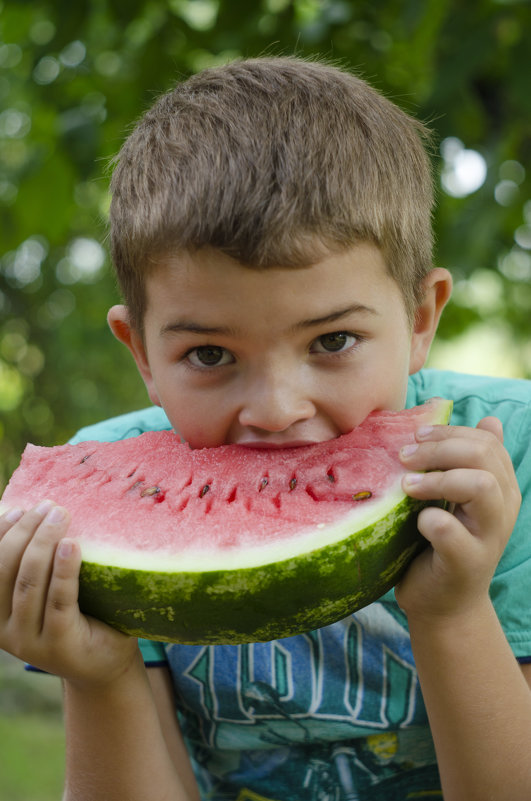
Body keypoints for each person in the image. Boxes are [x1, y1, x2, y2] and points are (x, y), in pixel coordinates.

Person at [0, 56, 530, 801]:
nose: (277, 409)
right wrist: (102, 672)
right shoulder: (104, 500)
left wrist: (451, 611)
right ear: (142, 353)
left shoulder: (506, 457)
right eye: (209, 354)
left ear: (419, 318)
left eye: (333, 341)